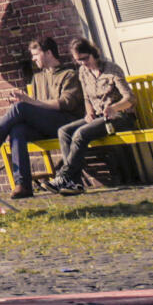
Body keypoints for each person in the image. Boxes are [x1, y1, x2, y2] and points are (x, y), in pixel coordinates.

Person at [0, 36, 84, 198]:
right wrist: (25, 102)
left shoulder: (69, 75)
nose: (33, 58)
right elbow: (35, 108)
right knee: (18, 129)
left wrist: (28, 103)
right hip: (46, 126)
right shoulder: (38, 78)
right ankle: (23, 185)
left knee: (21, 108)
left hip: (66, 124)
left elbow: (65, 104)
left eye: (36, 54)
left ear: (49, 53)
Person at [48, 38, 137, 194]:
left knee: (81, 133)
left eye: (85, 58)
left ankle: (64, 176)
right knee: (64, 131)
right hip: (97, 117)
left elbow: (130, 98)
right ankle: (74, 183)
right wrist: (88, 111)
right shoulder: (83, 72)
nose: (83, 63)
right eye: (78, 60)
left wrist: (114, 108)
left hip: (120, 117)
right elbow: (87, 97)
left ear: (93, 54)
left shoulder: (111, 70)